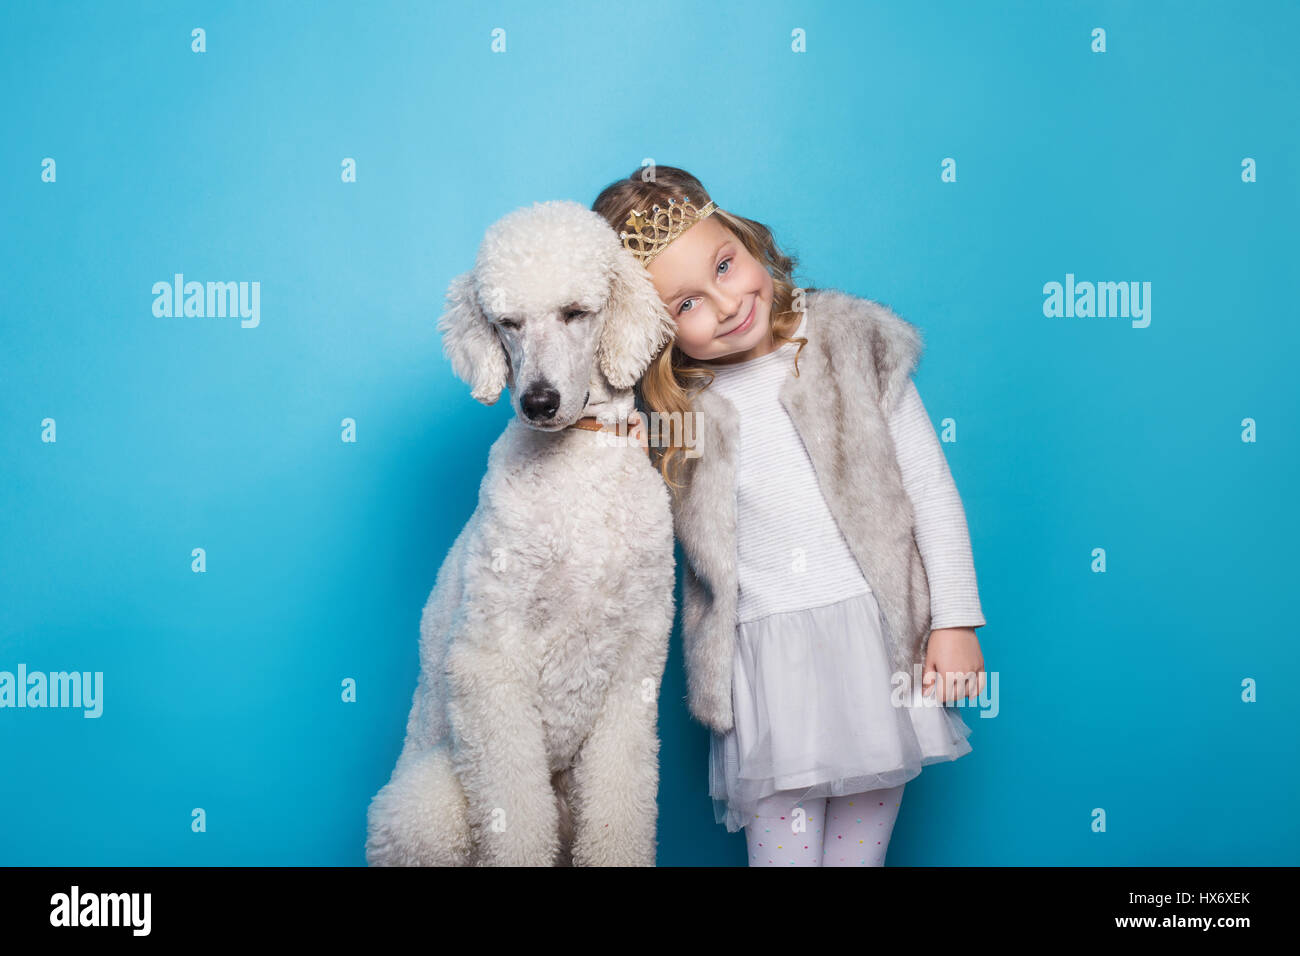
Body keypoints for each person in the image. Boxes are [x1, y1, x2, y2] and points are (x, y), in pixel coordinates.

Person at [591, 166, 989, 867]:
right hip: (764, 671)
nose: (725, 302)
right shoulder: (680, 409)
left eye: (725, 264)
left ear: (745, 239)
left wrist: (954, 621)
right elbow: (608, 495)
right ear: (654, 332)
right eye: (687, 304)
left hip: (877, 651)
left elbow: (929, 486)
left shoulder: (847, 347)